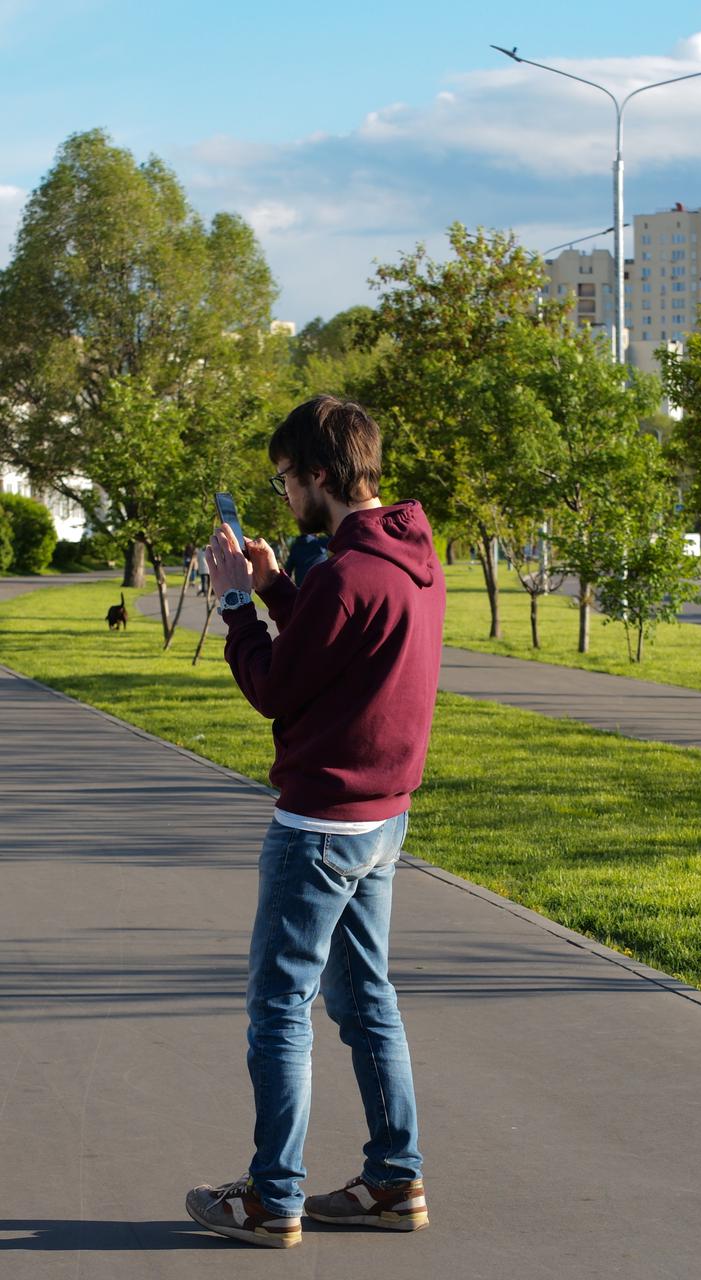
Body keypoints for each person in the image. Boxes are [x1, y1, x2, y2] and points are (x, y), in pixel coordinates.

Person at [186, 395, 445, 1249]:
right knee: (365, 998)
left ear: (321, 476)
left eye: (288, 479)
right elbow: (333, 648)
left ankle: (271, 1199)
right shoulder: (405, 557)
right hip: (382, 819)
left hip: (319, 828)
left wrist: (233, 606)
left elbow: (275, 687)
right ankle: (392, 1182)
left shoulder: (345, 574)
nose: (284, 494)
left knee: (281, 1007)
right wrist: (278, 587)